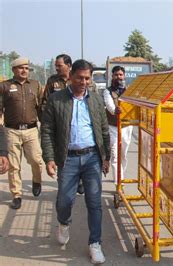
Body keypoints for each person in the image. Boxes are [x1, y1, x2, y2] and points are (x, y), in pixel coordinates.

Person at [41, 59, 110, 264]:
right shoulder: (56, 100)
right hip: (68, 159)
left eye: (87, 78)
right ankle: (63, 223)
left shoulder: (96, 100)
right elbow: (47, 131)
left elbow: (104, 130)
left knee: (95, 202)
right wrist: (50, 158)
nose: (84, 82)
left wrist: (105, 157)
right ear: (70, 77)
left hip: (92, 158)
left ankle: (95, 244)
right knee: (64, 200)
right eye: (80, 77)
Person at [0, 57, 44, 209]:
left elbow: (40, 107)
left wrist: (45, 124)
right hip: (11, 130)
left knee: (36, 161)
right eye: (20, 68)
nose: (24, 70)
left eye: (26, 68)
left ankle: (36, 181)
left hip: (31, 130)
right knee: (14, 165)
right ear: (13, 70)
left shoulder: (36, 85)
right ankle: (16, 195)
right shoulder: (4, 86)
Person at [41, 54, 85, 195]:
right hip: (59, 125)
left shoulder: (77, 79)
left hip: (77, 124)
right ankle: (65, 184)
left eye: (59, 65)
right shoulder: (52, 81)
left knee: (79, 150)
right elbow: (45, 102)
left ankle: (79, 180)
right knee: (63, 154)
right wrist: (47, 120)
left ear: (69, 66)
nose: (57, 68)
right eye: (56, 65)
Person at [103, 65, 133, 187]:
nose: (118, 77)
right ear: (112, 76)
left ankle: (121, 176)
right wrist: (116, 110)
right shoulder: (107, 91)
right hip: (113, 127)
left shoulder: (129, 90)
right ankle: (118, 184)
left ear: (124, 76)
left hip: (126, 127)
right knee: (115, 156)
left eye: (120, 75)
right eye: (116, 75)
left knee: (123, 155)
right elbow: (110, 108)